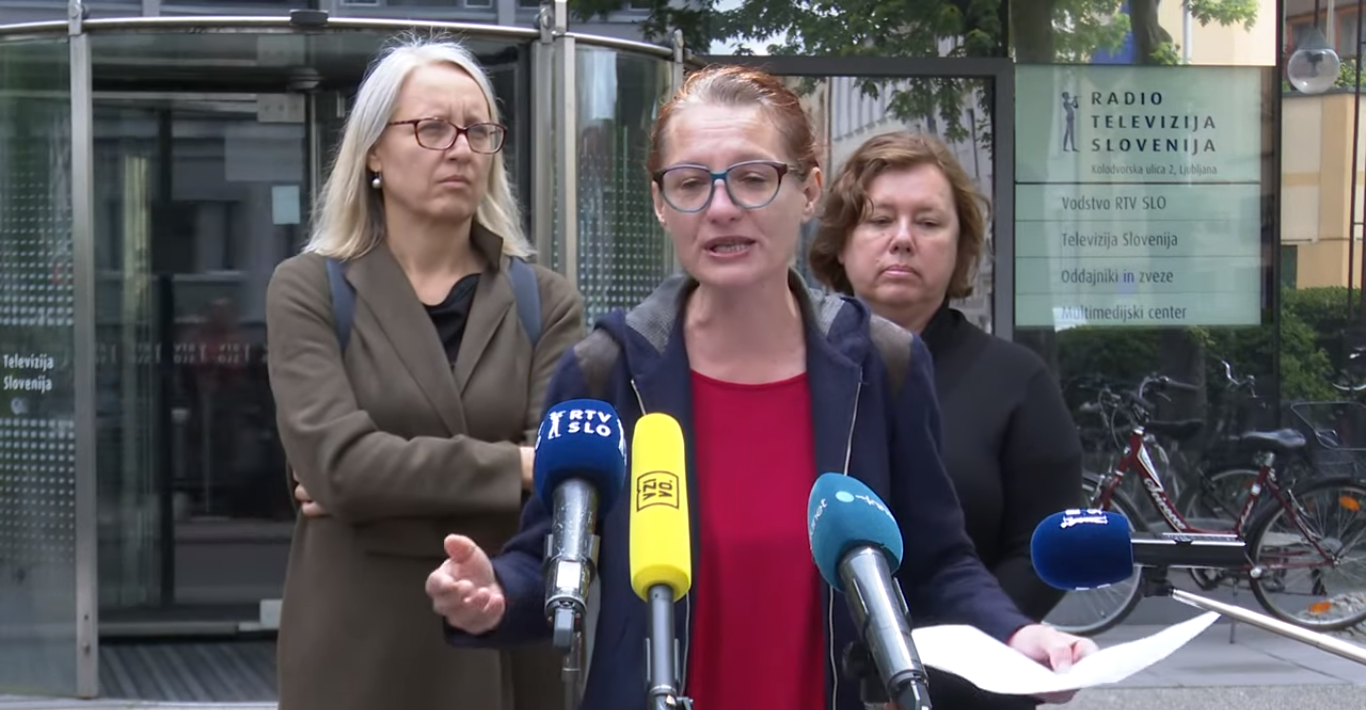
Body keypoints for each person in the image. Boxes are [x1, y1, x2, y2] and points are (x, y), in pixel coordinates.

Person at [426, 65, 1097, 710]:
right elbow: (549, 557)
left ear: (809, 191)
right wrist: (494, 592)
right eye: (691, 183)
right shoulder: (605, 371)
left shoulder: (884, 365)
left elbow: (938, 559)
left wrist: (1018, 634)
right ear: (660, 203)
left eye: (753, 178)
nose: (721, 208)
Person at [264, 35, 584, 710]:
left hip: (501, 635)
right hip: (357, 647)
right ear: (373, 151)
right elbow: (342, 466)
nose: (460, 149)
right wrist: (517, 466)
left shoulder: (545, 300)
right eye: (431, 128)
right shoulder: (308, 288)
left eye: (478, 130)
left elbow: (563, 492)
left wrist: (370, 498)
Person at [808, 131, 1084, 710]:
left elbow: (1040, 553)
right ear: (840, 242)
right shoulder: (787, 368)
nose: (903, 239)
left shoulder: (1016, 381)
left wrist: (944, 663)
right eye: (879, 219)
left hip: (970, 685)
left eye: (928, 222)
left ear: (961, 246)